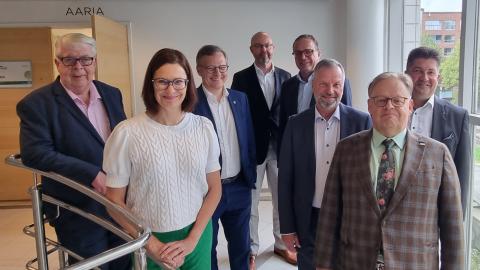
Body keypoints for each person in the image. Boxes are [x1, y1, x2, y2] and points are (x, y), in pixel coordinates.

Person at [315, 72, 464, 269]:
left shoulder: (438, 154)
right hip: (354, 262)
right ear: (369, 106)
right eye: (381, 100)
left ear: (410, 106)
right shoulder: (346, 149)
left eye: (397, 100)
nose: (389, 106)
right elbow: (330, 213)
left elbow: (452, 227)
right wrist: (323, 264)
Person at [17, 33, 130, 269]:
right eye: (69, 60)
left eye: (86, 59)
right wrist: (91, 174)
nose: (78, 67)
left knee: (123, 260)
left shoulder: (111, 93)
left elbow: (124, 139)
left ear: (95, 62)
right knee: (90, 264)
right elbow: (36, 153)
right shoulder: (36, 104)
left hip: (119, 200)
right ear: (57, 63)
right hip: (76, 207)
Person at [103, 48, 222, 270]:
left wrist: (193, 239)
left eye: (178, 82)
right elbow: (113, 200)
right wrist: (153, 245)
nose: (171, 89)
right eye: (162, 82)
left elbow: (215, 189)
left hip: (197, 234)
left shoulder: (203, 128)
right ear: (151, 84)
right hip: (148, 238)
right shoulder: (127, 133)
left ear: (188, 84)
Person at [278, 59, 371, 270]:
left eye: (336, 84)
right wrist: (287, 227)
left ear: (343, 86)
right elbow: (285, 180)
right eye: (323, 84)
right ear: (313, 85)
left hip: (349, 218)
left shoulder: (362, 122)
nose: (330, 91)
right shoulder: (295, 124)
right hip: (308, 217)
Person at [231, 31, 294, 268]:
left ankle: (281, 244)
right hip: (253, 149)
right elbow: (238, 116)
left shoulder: (286, 77)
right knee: (252, 201)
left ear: (273, 47)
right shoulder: (240, 78)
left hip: (279, 148)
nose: (263, 50)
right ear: (251, 49)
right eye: (258, 46)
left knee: (281, 200)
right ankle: (251, 249)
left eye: (267, 46)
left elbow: (288, 115)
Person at [193, 45, 256, 270]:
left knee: (241, 247)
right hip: (206, 191)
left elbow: (248, 139)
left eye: (222, 67)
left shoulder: (240, 99)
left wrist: (250, 180)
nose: (217, 73)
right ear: (199, 69)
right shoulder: (190, 103)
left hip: (239, 186)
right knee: (207, 247)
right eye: (210, 68)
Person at [405, 46, 471, 214]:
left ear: (438, 77)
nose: (424, 78)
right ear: (406, 74)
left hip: (434, 209)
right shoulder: (392, 108)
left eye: (431, 72)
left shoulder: (457, 116)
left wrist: (456, 218)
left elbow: (461, 174)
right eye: (418, 71)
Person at [278, 35, 353, 154]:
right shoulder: (287, 85)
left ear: (318, 53)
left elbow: (346, 119)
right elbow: (283, 124)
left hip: (327, 150)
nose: (303, 57)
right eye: (298, 53)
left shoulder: (339, 83)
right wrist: (281, 155)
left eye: (308, 52)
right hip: (295, 150)